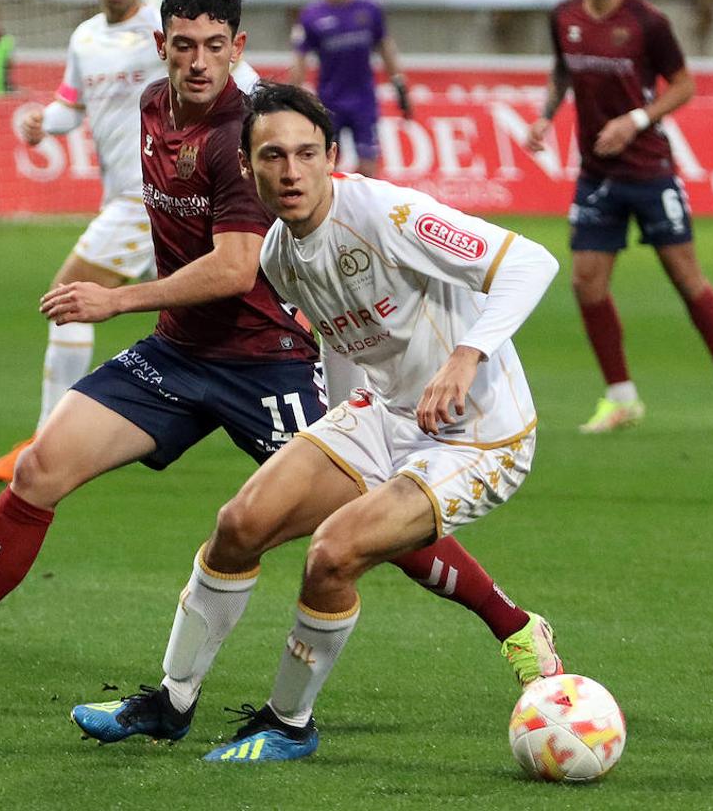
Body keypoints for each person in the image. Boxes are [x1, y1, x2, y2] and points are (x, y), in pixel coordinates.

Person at [0, 0, 532, 702]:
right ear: (160, 47)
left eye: (215, 47)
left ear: (237, 49)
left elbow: (238, 269)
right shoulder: (151, 107)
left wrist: (116, 299)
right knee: (40, 468)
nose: (199, 62)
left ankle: (514, 625)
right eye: (184, 46)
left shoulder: (247, 140)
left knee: (359, 528)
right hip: (177, 354)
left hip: (266, 362)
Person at [71, 83, 564, 762]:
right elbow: (341, 340)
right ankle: (171, 703)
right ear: (247, 167)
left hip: (481, 435)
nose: (291, 171)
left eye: (307, 154)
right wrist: (335, 432)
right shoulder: (277, 253)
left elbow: (532, 263)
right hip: (386, 414)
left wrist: (465, 356)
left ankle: (289, 724)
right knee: (240, 523)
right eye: (273, 156)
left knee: (332, 555)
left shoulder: (389, 214)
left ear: (332, 156)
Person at [0, 0, 262, 483]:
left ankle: (46, 441)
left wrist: (273, 125)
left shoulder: (167, 39)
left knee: (67, 295)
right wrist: (42, 123)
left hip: (153, 196)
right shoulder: (86, 38)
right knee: (223, 300)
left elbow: (238, 79)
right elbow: (71, 106)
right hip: (128, 196)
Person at [526, 0, 713, 434]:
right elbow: (563, 70)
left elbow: (684, 85)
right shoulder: (564, 16)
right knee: (586, 284)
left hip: (650, 172)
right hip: (596, 174)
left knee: (685, 278)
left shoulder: (649, 22)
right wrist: (545, 117)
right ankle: (621, 397)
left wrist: (635, 120)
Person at [289, 0, 412, 178]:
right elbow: (299, 60)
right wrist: (291, 100)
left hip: (364, 102)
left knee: (368, 167)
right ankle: (332, 210)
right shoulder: (311, 16)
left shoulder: (369, 9)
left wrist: (400, 86)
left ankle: (367, 209)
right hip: (329, 102)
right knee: (328, 165)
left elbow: (385, 48)